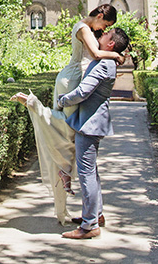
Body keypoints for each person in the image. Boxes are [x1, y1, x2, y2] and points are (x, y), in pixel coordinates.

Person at [9, 5, 124, 223]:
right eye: (106, 25)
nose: (104, 29)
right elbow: (97, 53)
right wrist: (116, 54)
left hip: (73, 79)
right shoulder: (83, 28)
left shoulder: (88, 30)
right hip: (72, 81)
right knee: (68, 129)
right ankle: (33, 106)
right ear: (99, 16)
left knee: (72, 135)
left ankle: (70, 178)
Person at [58, 27, 131, 239]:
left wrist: (62, 100)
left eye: (107, 35)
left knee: (86, 173)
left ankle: (89, 225)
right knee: (91, 172)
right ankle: (95, 215)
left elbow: (83, 92)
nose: (102, 35)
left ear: (111, 44)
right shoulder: (106, 61)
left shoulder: (104, 64)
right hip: (92, 123)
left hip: (89, 125)